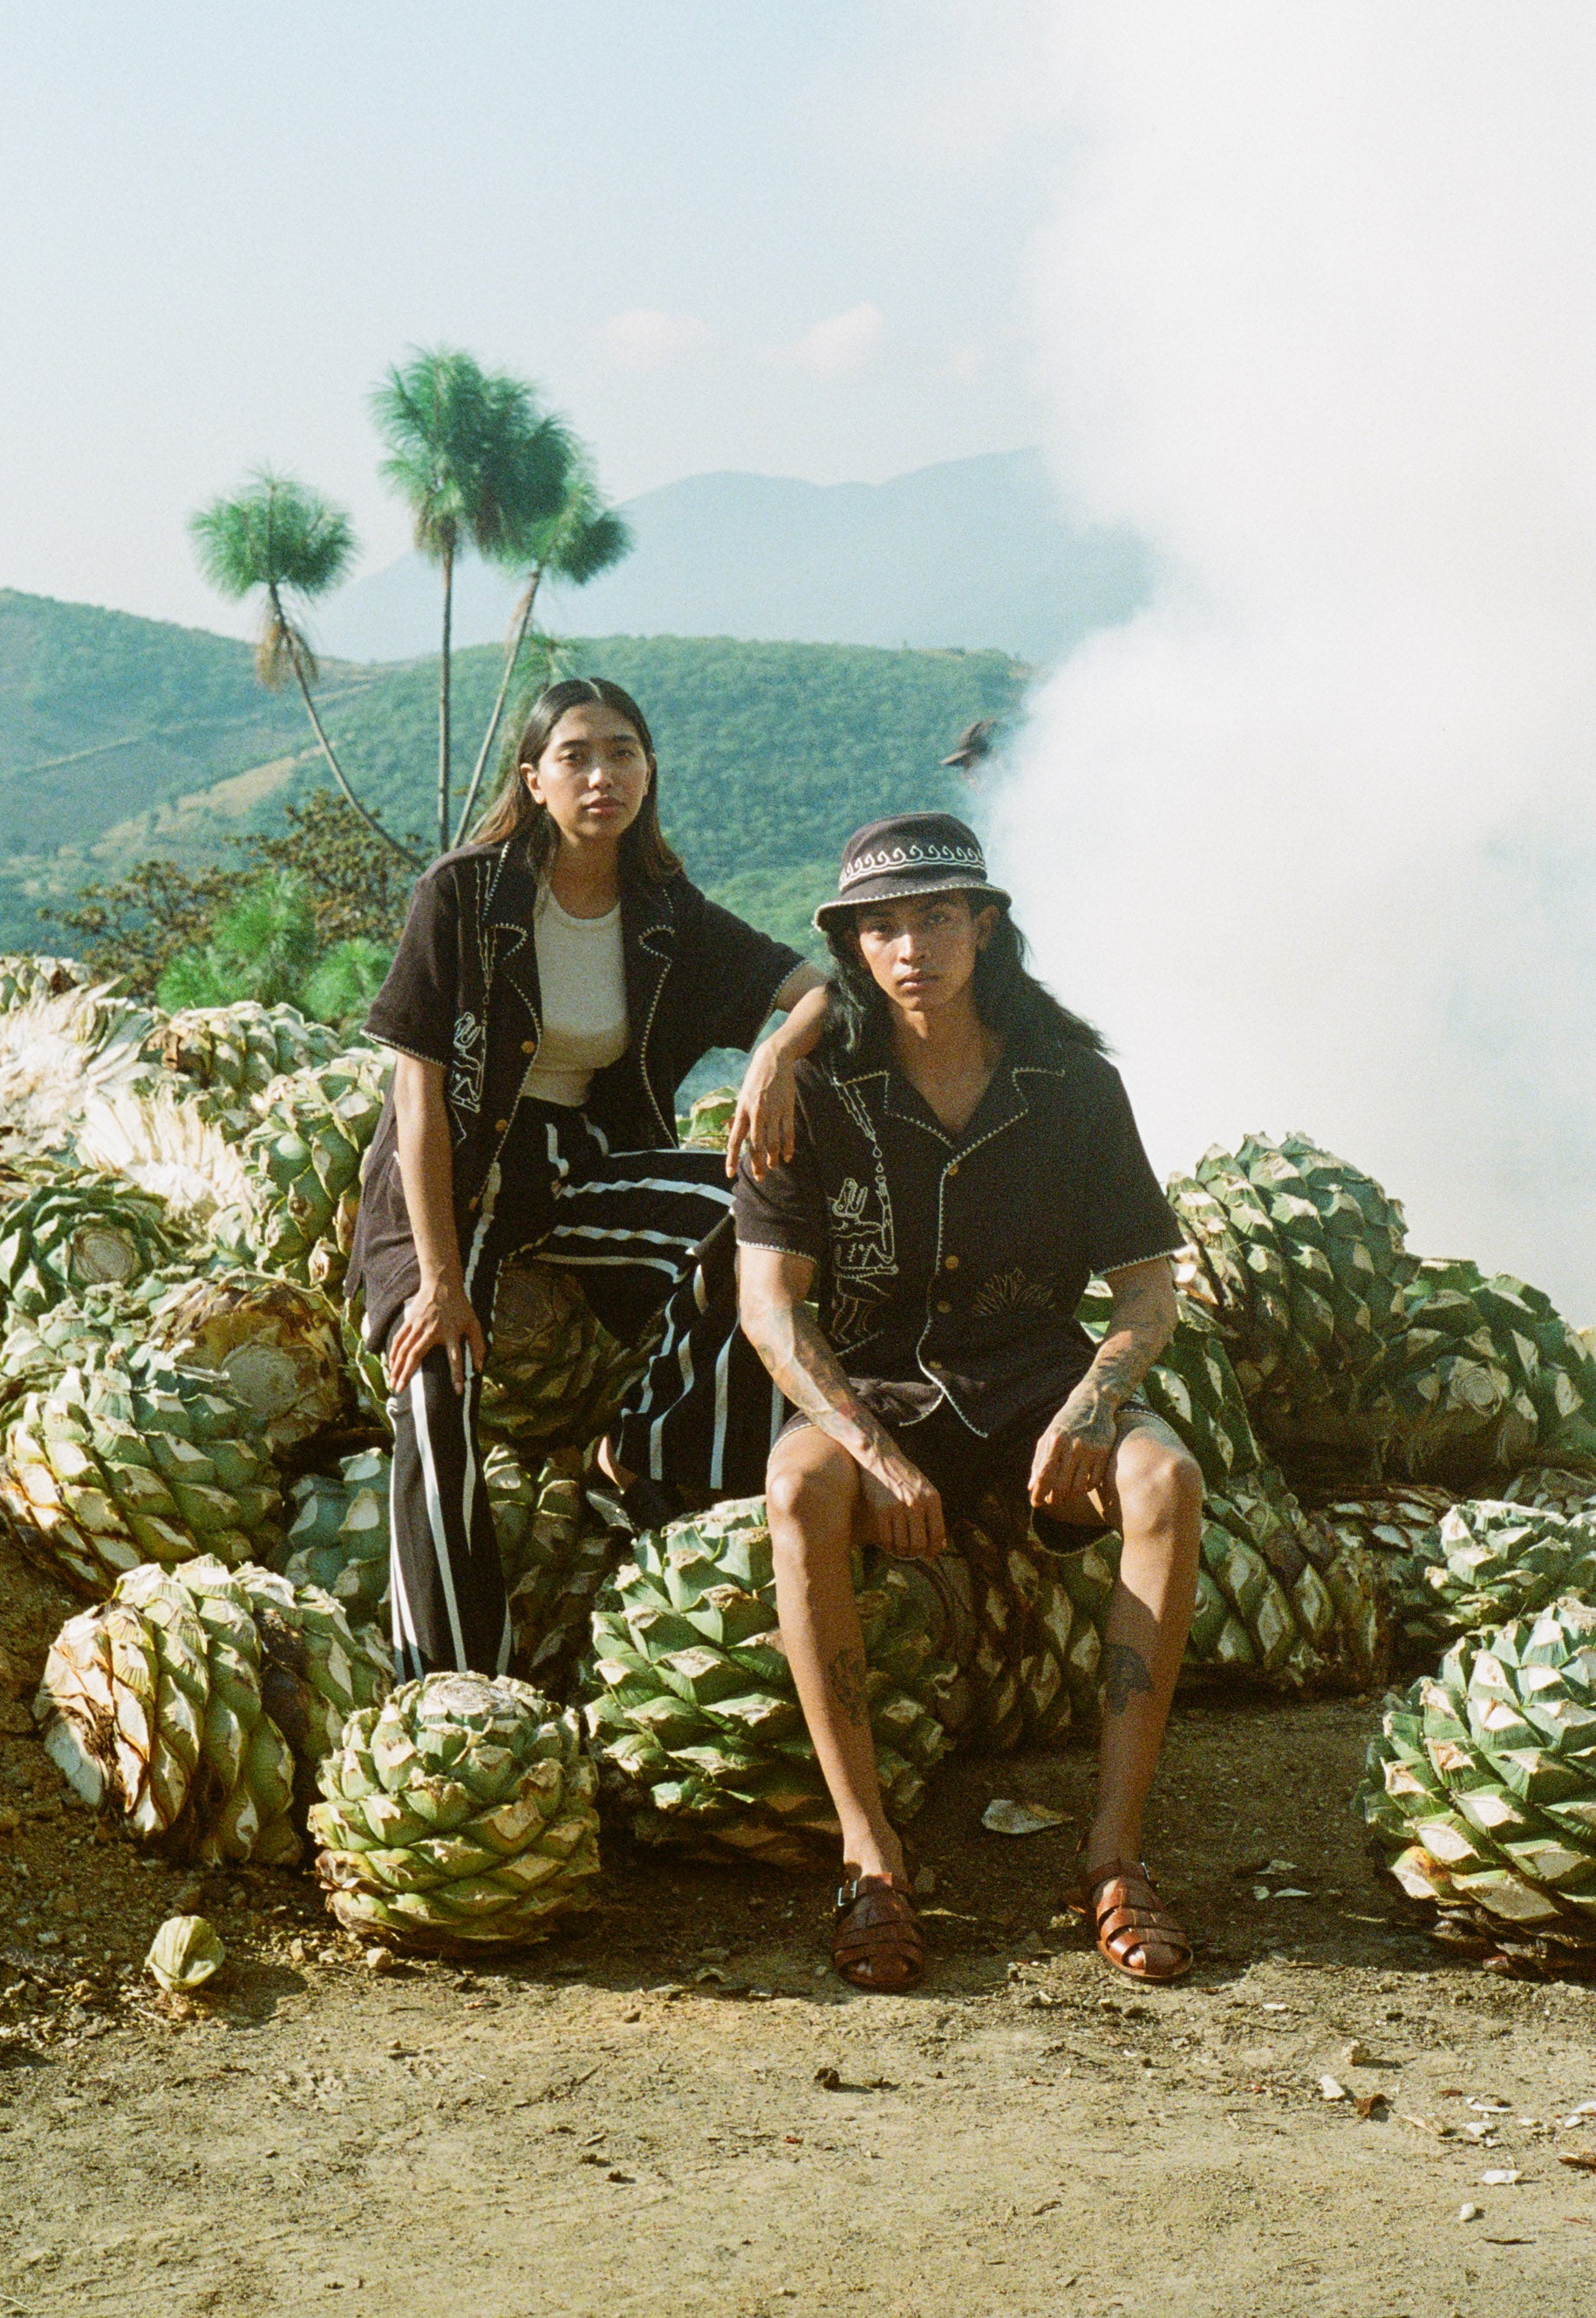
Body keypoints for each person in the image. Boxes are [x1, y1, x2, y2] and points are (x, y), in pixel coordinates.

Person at [734, 812, 1203, 1992]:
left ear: (983, 928)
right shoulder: (814, 1094)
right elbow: (772, 1309)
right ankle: (870, 1858)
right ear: (851, 948)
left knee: (1169, 1480)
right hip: (880, 1383)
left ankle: (1112, 1855)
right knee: (798, 1486)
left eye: (936, 916)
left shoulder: (1073, 1088)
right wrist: (868, 1448)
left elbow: (1149, 1293)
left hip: (1041, 1377)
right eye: (880, 926)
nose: (910, 947)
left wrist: (1095, 1405)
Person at [347, 675, 829, 1681]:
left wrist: (776, 1053)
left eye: (622, 753)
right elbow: (418, 1097)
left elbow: (823, 989)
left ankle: (647, 1457)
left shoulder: (662, 911)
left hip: (581, 1162)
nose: (601, 774)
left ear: (648, 774)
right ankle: (449, 1678)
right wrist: (439, 1279)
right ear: (532, 778)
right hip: (455, 1171)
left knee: (747, 1228)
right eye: (575, 755)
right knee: (435, 1390)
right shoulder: (464, 895)